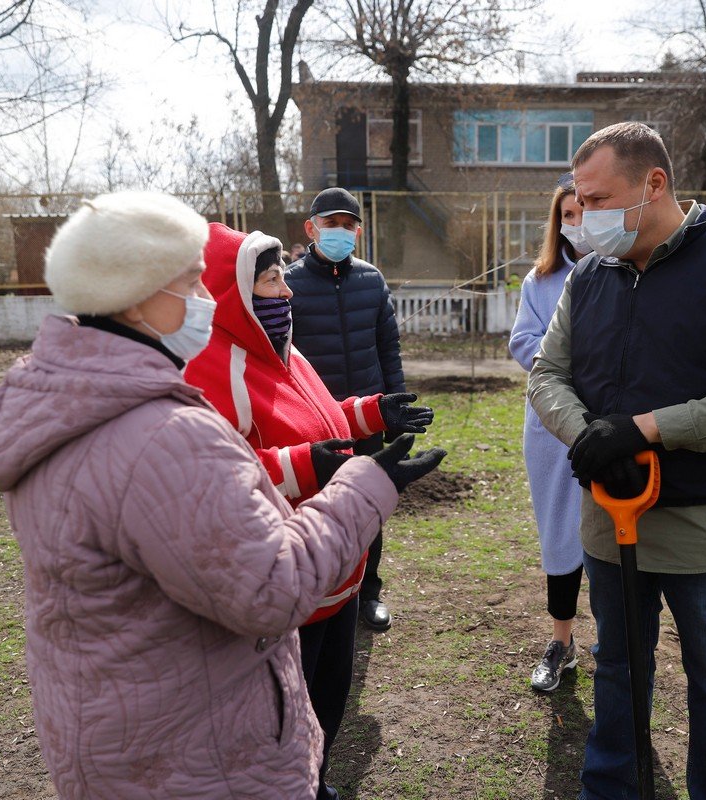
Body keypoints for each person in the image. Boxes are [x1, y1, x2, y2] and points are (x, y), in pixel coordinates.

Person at [0, 191, 445, 800]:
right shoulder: (160, 432)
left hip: (129, 724)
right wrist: (369, 485)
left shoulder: (76, 405)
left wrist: (367, 415)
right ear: (137, 294)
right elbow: (270, 588)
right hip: (196, 752)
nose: (207, 300)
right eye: (192, 283)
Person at [528, 122, 706, 800]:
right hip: (610, 517)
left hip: (705, 526)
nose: (584, 215)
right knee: (617, 669)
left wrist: (646, 431)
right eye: (579, 201)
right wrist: (593, 437)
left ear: (653, 184)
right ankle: (611, 789)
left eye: (599, 199)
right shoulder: (590, 275)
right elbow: (546, 374)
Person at [184, 223, 438, 800]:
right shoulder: (211, 367)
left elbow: (319, 420)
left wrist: (373, 412)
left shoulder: (284, 351)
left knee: (327, 708)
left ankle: (315, 784)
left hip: (338, 572)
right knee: (289, 730)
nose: (287, 290)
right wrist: (306, 466)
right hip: (290, 582)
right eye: (272, 279)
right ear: (232, 293)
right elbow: (220, 475)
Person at [286, 187, 407, 632]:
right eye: (331, 223)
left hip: (367, 417)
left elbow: (387, 346)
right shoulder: (289, 285)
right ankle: (317, 590)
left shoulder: (371, 280)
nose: (340, 231)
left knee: (367, 502)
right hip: (314, 421)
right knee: (316, 504)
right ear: (311, 228)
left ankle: (368, 592)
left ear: (358, 230)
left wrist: (394, 405)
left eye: (348, 224)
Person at [509, 180, 590, 693]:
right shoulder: (539, 281)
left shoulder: (632, 270)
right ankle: (562, 642)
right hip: (552, 428)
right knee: (560, 536)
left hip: (613, 423)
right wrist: (571, 360)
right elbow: (523, 342)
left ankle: (620, 641)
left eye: (586, 210)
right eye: (568, 215)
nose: (578, 222)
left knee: (616, 534)